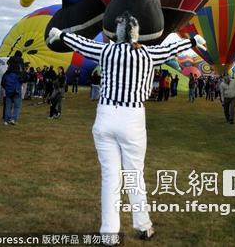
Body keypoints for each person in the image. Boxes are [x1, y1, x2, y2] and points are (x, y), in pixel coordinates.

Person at [47, 12, 205, 243]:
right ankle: (142, 225)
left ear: (117, 33)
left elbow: (81, 43)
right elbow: (170, 50)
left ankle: (109, 234)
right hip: (132, 118)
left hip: (106, 116)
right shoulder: (147, 53)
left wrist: (60, 34)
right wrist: (192, 41)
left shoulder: (106, 51)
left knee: (110, 177)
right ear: (136, 33)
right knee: (133, 174)